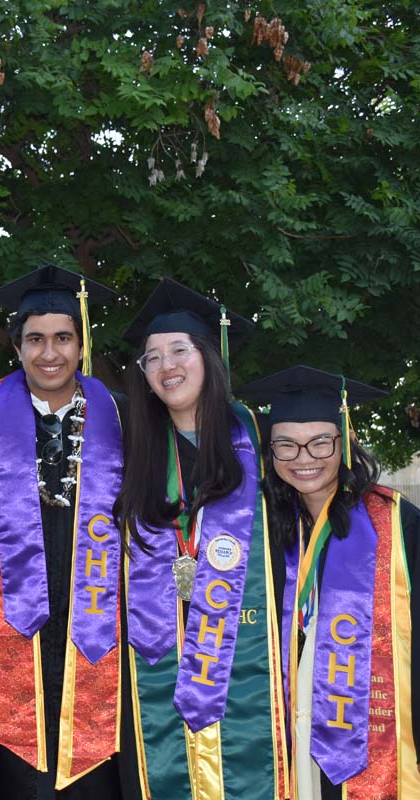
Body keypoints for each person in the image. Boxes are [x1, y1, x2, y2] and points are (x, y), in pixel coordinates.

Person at [0, 265, 125, 799]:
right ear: (17, 347)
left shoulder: (119, 414)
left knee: (95, 772)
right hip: (5, 627)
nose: (50, 353)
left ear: (82, 344)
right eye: (35, 339)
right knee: (14, 774)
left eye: (63, 338)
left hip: (96, 620)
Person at [235, 365, 420, 800]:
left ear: (344, 441)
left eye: (320, 442)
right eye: (286, 445)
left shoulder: (400, 525)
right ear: (270, 453)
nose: (304, 458)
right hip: (288, 735)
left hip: (379, 733)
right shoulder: (267, 530)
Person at [113, 279, 287, 800]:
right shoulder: (131, 456)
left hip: (252, 655)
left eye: (180, 350)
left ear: (209, 358)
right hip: (158, 664)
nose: (167, 365)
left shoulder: (261, 444)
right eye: (152, 358)